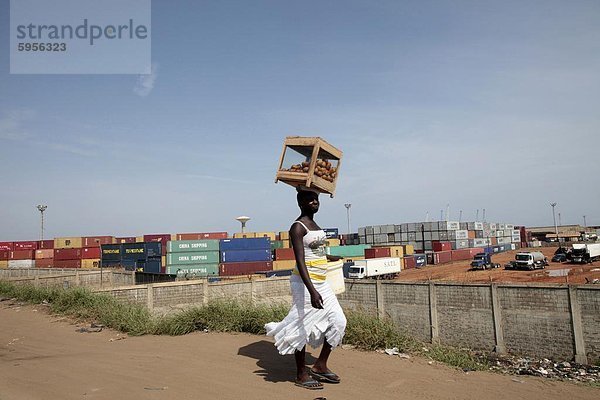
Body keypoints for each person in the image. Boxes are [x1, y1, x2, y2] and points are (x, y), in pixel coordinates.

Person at [265, 188, 347, 390]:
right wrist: (312, 291)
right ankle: (301, 374)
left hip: (322, 283)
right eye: (309, 199)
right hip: (304, 284)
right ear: (300, 203)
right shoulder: (297, 227)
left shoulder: (316, 226)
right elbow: (301, 262)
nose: (314, 201)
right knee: (301, 326)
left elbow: (317, 253)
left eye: (316, 198)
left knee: (339, 320)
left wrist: (332, 258)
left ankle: (320, 365)